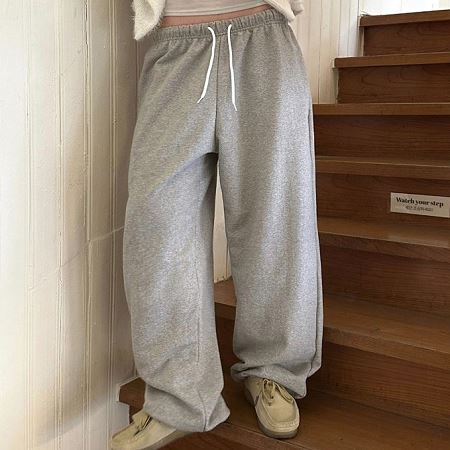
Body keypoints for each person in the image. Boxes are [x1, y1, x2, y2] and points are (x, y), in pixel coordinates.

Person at [111, 1, 323, 449]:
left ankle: (273, 370)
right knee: (158, 231)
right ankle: (181, 396)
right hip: (175, 49)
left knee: (275, 221)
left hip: (263, 40)